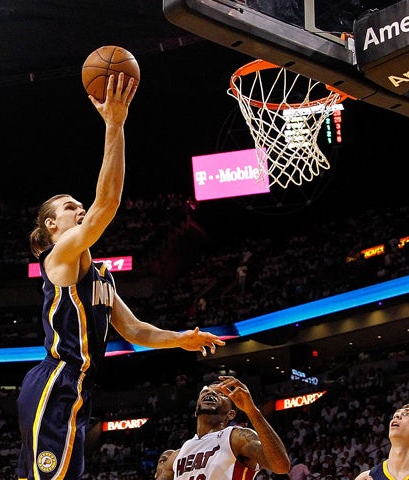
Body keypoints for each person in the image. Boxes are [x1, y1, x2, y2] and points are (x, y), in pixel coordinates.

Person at [16, 72, 226, 480]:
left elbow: (135, 331)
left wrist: (182, 339)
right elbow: (106, 204)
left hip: (75, 387)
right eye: (70, 207)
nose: (80, 210)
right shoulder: (58, 258)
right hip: (56, 381)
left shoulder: (100, 278)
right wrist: (115, 124)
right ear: (52, 226)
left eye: (80, 205)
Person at [156, 375, 291, 480]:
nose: (211, 393)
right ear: (196, 410)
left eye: (221, 393)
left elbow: (281, 466)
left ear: (231, 414)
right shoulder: (177, 455)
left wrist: (252, 411)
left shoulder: (238, 437)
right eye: (205, 391)